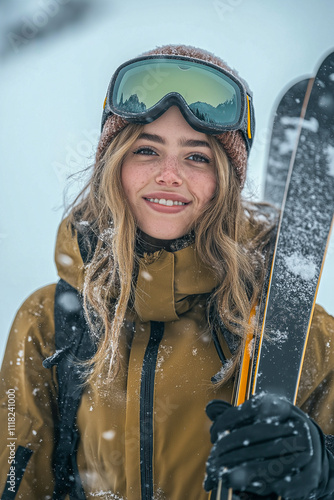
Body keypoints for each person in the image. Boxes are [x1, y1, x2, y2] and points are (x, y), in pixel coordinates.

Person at [1, 44, 334, 500]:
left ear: (225, 180)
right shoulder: (49, 322)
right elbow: (18, 479)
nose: (169, 175)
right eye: (146, 150)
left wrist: (323, 469)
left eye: (197, 156)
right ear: (113, 164)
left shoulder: (298, 333)